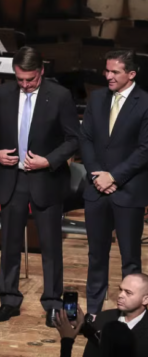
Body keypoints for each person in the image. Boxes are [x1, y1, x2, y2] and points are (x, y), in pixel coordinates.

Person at [0, 46, 80, 326]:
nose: (25, 85)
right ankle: (9, 300)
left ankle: (52, 303)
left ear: (41, 71)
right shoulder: (3, 94)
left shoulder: (59, 96)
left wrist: (48, 161)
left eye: (30, 79)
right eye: (20, 79)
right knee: (9, 244)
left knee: (50, 247)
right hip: (10, 179)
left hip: (45, 179)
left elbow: (73, 138)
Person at [79, 50, 148, 315]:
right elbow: (85, 138)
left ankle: (132, 315)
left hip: (128, 192)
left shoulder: (144, 102)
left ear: (131, 74)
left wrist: (114, 176)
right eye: (106, 71)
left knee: (130, 258)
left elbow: (144, 149)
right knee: (96, 256)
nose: (108, 76)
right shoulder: (97, 98)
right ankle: (94, 312)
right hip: (97, 191)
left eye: (115, 72)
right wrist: (98, 174)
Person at [83, 273, 148, 357]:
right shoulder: (103, 318)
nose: (120, 295)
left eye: (128, 292)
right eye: (120, 290)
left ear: (145, 300)